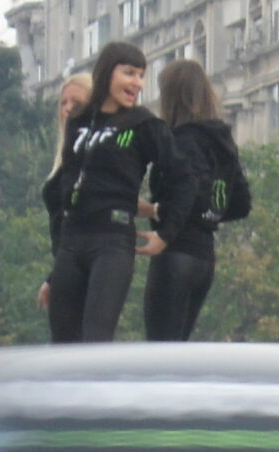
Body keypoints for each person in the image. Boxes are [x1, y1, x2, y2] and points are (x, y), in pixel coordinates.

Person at [42, 43, 199, 344]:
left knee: (95, 338)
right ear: (106, 73)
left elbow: (184, 178)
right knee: (61, 342)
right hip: (72, 241)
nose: (136, 83)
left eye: (141, 76)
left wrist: (165, 233)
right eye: (129, 73)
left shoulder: (143, 125)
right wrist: (53, 272)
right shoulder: (79, 122)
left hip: (111, 242)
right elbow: (65, 187)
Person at [141, 59, 247, 343]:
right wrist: (209, 215)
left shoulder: (179, 141)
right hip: (204, 258)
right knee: (179, 347)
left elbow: (191, 189)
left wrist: (161, 216)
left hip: (176, 253)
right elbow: (241, 202)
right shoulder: (222, 141)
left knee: (160, 348)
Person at [36, 72, 90, 317]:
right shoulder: (64, 155)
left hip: (86, 262)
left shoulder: (91, 153)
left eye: (76, 104)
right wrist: (53, 276)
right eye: (63, 103)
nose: (67, 109)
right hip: (65, 264)